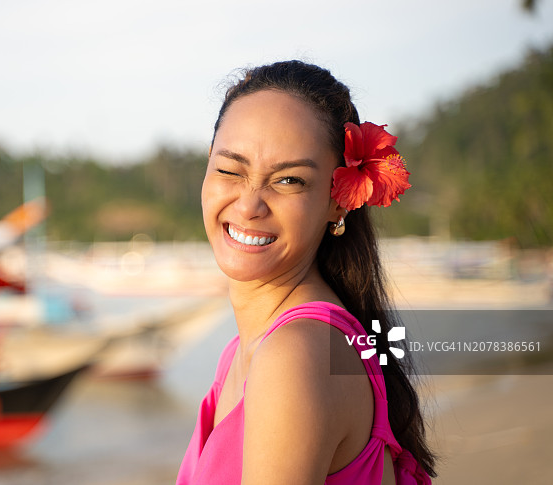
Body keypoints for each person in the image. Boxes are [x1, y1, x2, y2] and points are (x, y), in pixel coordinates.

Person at [176, 61, 436, 484]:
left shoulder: (294, 355)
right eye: (229, 170)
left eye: (289, 181)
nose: (249, 205)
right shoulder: (245, 352)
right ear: (207, 167)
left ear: (339, 201)